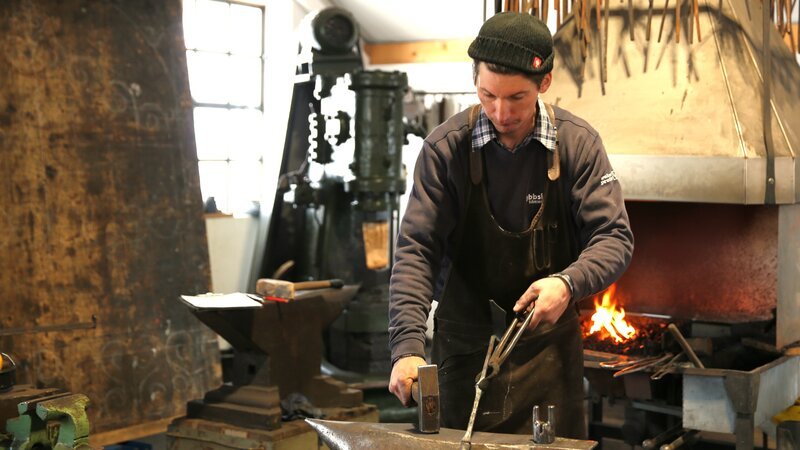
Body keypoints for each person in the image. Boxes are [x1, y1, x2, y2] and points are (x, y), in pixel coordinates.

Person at [387, 11, 634, 439]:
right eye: (487, 95)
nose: (501, 112)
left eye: (517, 98)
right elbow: (417, 249)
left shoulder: (578, 144)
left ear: (545, 83)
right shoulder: (446, 150)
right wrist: (407, 346)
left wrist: (568, 283)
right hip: (465, 350)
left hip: (547, 353)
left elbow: (614, 238)